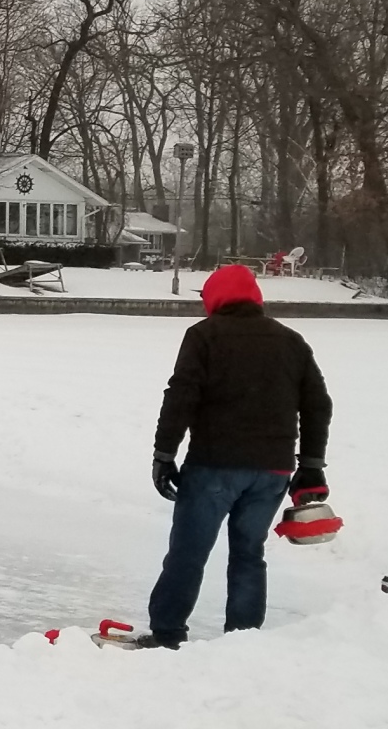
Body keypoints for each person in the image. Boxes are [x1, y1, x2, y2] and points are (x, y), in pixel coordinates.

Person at [140, 264, 334, 649]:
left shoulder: (204, 336)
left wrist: (164, 454)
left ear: (215, 297)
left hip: (214, 464)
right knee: (249, 553)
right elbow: (318, 404)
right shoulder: (290, 340)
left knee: (189, 552)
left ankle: (167, 632)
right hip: (272, 470)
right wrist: (311, 465)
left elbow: (181, 395)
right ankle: (243, 642)